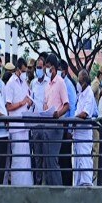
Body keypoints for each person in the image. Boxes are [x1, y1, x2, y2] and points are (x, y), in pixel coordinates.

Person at [4, 60, 33, 186]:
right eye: (23, 71)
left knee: (26, 159)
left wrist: (30, 102)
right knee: (18, 159)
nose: (25, 74)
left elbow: (28, 96)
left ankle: (26, 185)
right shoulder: (10, 84)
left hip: (25, 125)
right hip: (16, 127)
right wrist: (22, 102)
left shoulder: (24, 83)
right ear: (18, 70)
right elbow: (8, 106)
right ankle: (17, 185)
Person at [43, 54, 69, 186]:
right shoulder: (47, 85)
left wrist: (58, 114)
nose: (46, 70)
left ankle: (58, 188)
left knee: (53, 159)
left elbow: (66, 105)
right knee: (47, 160)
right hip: (47, 124)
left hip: (56, 125)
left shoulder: (60, 82)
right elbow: (46, 103)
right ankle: (49, 186)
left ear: (52, 67)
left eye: (47, 67)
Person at [74, 69, 97, 186]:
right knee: (78, 162)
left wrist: (74, 118)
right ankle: (79, 185)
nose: (77, 83)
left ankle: (87, 185)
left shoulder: (89, 94)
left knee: (85, 160)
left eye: (79, 81)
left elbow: (85, 113)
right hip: (77, 134)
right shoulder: (81, 95)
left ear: (83, 82)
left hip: (84, 134)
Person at [29, 56, 49, 184]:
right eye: (37, 68)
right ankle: (37, 182)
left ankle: (46, 184)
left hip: (47, 124)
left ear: (45, 68)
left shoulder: (49, 82)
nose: (38, 70)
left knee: (47, 156)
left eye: (40, 67)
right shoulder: (33, 83)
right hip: (35, 123)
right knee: (37, 156)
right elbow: (31, 101)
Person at [59, 60, 76, 185]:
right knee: (61, 158)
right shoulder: (62, 84)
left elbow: (72, 108)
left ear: (64, 71)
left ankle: (67, 184)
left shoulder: (68, 85)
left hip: (66, 126)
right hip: (62, 126)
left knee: (65, 158)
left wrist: (69, 129)